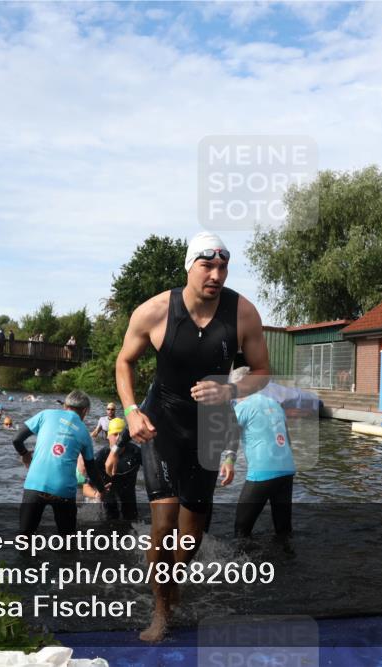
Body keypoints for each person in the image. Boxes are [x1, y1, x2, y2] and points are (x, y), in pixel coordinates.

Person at [106, 231, 270, 642]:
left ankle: (172, 585)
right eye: (207, 265)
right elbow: (124, 363)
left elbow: (263, 373)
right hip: (161, 421)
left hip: (209, 427)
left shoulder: (243, 313)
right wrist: (130, 412)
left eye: (223, 266)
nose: (216, 274)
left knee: (192, 533)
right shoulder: (155, 310)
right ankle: (161, 611)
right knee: (162, 524)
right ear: (189, 266)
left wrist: (230, 390)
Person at [11, 390, 107, 536]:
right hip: (63, 491)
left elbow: (16, 440)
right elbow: (91, 468)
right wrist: (101, 490)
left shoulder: (45, 414)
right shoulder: (84, 432)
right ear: (85, 411)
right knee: (67, 541)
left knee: (25, 536)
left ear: (65, 406)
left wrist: (25, 455)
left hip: (35, 484)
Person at [219, 367, 296, 539]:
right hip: (287, 470)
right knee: (283, 530)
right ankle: (287, 560)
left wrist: (229, 460)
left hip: (263, 472)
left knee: (241, 529)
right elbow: (288, 440)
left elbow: (232, 433)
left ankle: (244, 565)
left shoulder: (243, 406)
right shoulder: (275, 404)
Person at [97, 418, 142, 521]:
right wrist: (96, 493)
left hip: (128, 493)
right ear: (107, 435)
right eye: (115, 434)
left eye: (120, 435)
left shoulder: (136, 452)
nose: (118, 438)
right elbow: (87, 486)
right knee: (110, 520)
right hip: (109, 494)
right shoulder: (100, 457)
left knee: (131, 518)